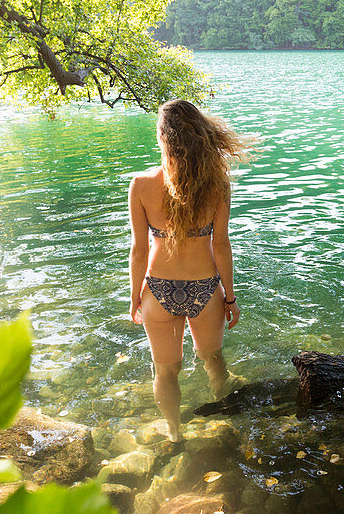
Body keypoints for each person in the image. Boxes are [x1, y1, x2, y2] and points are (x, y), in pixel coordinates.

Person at [128, 99, 253, 442]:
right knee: (213, 361)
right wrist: (230, 298)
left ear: (163, 139)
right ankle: (224, 426)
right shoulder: (217, 185)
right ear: (199, 135)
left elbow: (139, 251)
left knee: (166, 371)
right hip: (205, 290)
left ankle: (173, 435)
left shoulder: (140, 185)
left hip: (159, 292)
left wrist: (134, 297)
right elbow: (221, 246)